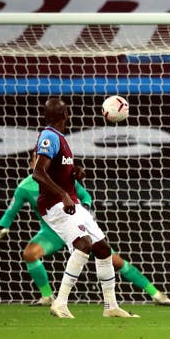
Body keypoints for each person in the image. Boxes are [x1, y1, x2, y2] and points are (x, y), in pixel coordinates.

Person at [0, 154, 170, 308]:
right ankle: (47, 297)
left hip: (76, 227)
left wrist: (86, 208)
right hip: (51, 233)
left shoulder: (63, 179)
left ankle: (156, 294)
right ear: (31, 164)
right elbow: (11, 210)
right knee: (30, 254)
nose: (41, 163)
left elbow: (85, 196)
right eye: (36, 160)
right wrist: (1, 228)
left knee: (114, 261)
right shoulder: (24, 187)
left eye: (43, 159)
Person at [32, 97, 137, 318]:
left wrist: (74, 173)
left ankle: (111, 307)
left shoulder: (60, 138)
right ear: (65, 115)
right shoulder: (50, 136)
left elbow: (57, 172)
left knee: (103, 249)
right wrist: (62, 194)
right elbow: (38, 172)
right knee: (83, 245)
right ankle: (59, 303)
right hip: (55, 204)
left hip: (70, 200)